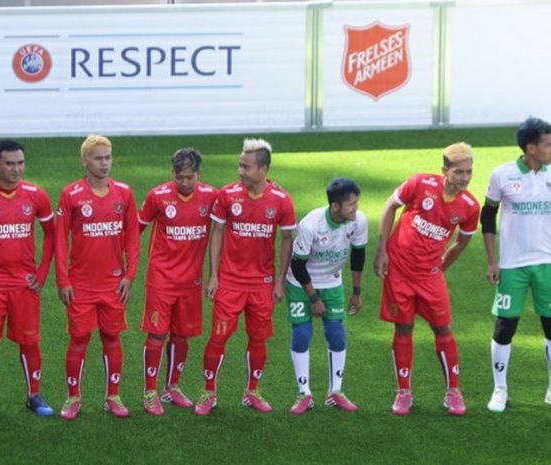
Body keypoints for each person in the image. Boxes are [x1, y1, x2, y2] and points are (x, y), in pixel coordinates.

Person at [374, 142, 480, 416]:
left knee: (443, 329)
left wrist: (440, 267)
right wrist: (381, 250)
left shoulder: (469, 206)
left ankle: (453, 392)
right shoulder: (420, 184)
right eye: (459, 172)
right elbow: (390, 206)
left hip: (429, 276)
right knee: (404, 328)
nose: (465, 178)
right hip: (399, 270)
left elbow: (461, 242)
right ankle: (404, 392)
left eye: (469, 172)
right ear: (444, 170)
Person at [195, 138, 296, 416]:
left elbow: (287, 239)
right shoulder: (227, 195)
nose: (240, 170)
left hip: (262, 286)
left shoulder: (281, 199)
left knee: (258, 339)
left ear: (263, 169)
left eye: (246, 166)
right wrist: (214, 275)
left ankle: (252, 391)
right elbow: (216, 234)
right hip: (229, 282)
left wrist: (279, 281)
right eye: (240, 164)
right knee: (218, 338)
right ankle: (209, 392)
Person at [0, 140, 55, 422]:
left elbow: (52, 234)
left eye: (20, 163)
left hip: (24, 284)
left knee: (30, 341)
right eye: (9, 163)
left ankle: (34, 395)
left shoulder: (36, 195)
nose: (16, 169)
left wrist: (41, 274)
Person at [56, 135, 140, 420]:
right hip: (81, 284)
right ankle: (73, 397)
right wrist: (63, 280)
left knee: (112, 337)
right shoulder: (71, 194)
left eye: (108, 157)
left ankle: (112, 396)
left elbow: (132, 238)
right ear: (85, 161)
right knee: (79, 339)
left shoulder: (125, 193)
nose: (105, 163)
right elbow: (59, 240)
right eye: (98, 158)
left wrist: (130, 275)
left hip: (113, 283)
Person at [138, 148, 218, 416]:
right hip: (161, 278)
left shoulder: (211, 197)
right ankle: (150, 391)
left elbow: (224, 228)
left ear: (199, 174)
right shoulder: (157, 196)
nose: (184, 182)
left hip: (191, 280)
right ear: (172, 173)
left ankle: (172, 387)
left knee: (182, 334)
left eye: (189, 177)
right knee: (157, 333)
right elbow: (135, 228)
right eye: (179, 176)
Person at [481, 117, 551, 413]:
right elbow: (487, 216)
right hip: (512, 266)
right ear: (531, 148)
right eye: (548, 144)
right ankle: (500, 389)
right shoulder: (502, 175)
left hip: (548, 263)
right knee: (505, 327)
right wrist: (492, 260)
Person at [286, 178, 367, 415]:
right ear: (335, 206)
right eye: (351, 205)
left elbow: (358, 256)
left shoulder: (358, 221)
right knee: (302, 333)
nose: (356, 209)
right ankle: (304, 393)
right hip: (300, 283)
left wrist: (357, 292)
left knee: (336, 333)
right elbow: (297, 265)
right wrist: (313, 299)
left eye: (356, 203)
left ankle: (335, 392)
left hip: (332, 281)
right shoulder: (310, 225)